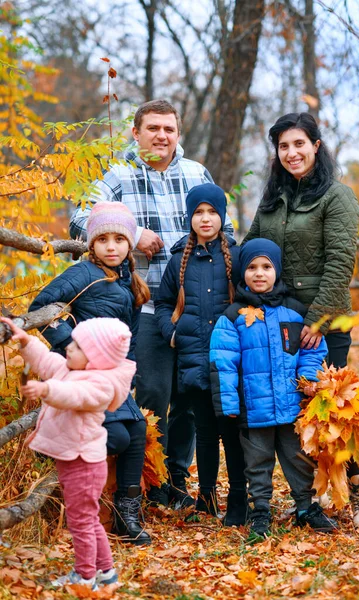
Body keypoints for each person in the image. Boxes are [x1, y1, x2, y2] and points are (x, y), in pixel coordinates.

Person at [69, 99, 234, 508]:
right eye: (153, 128)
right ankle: (144, 480)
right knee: (153, 394)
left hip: (197, 309)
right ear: (136, 132)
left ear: (179, 134)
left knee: (191, 399)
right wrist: (133, 231)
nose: (161, 136)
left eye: (169, 129)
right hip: (142, 307)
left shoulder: (196, 173)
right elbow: (78, 220)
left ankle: (176, 480)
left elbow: (226, 230)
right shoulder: (118, 176)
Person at [243, 112, 359, 530]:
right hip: (278, 319)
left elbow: (341, 262)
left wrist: (316, 320)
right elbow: (250, 250)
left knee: (334, 407)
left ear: (316, 146)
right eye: (284, 146)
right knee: (291, 406)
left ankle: (358, 491)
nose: (292, 152)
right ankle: (307, 496)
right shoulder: (271, 201)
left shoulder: (337, 196)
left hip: (326, 318)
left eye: (299, 143)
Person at [30, 202, 151, 545]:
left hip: (111, 376)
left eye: (118, 239)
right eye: (102, 240)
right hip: (83, 374)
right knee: (121, 438)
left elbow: (132, 338)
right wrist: (70, 345)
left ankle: (126, 515)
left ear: (130, 244)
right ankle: (55, 452)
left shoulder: (129, 281)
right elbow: (39, 306)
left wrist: (127, 378)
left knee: (137, 429)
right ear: (92, 244)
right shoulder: (83, 273)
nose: (111, 247)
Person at [209, 239, 338, 536]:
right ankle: (261, 510)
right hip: (253, 409)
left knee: (299, 458)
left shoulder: (295, 313)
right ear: (243, 273)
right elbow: (222, 362)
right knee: (257, 462)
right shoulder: (233, 317)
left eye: (266, 267)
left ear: (277, 271)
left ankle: (305, 506)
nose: (259, 273)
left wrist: (307, 382)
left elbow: (312, 351)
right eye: (252, 267)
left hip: (292, 405)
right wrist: (228, 404)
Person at [2, 316, 136, 589]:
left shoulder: (100, 384)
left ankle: (85, 576)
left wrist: (45, 389)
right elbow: (47, 361)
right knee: (88, 518)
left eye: (77, 346)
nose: (68, 348)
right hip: (73, 458)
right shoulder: (71, 369)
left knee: (81, 522)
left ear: (96, 358)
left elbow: (75, 394)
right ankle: (106, 573)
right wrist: (26, 340)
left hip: (84, 463)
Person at [155, 184, 247, 525]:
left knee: (233, 434)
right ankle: (206, 498)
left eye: (211, 212)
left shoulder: (237, 257)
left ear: (222, 216)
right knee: (205, 434)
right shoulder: (180, 261)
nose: (205, 219)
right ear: (189, 217)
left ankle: (238, 500)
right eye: (198, 213)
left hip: (230, 363)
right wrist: (172, 332)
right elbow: (163, 303)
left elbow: (252, 298)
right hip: (194, 359)